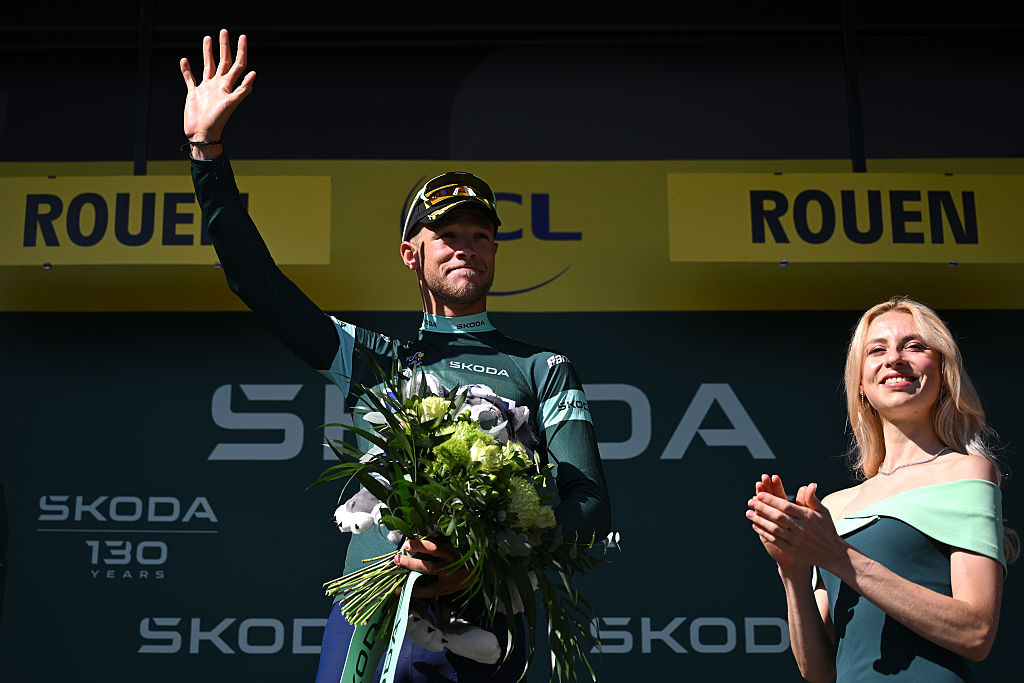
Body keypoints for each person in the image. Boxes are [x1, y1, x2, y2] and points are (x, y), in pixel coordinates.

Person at [180, 30, 611, 683]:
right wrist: (206, 154)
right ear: (412, 254)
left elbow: (590, 508)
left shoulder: (543, 367)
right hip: (375, 617)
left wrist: (486, 546)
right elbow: (257, 284)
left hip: (489, 622)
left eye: (481, 235)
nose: (466, 247)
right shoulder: (378, 361)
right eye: (447, 235)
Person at [746, 296, 1017, 682]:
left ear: (942, 371)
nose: (894, 358)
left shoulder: (967, 472)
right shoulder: (835, 507)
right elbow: (819, 671)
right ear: (860, 383)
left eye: (915, 345)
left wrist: (839, 556)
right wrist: (792, 567)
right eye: (877, 349)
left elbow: (976, 633)